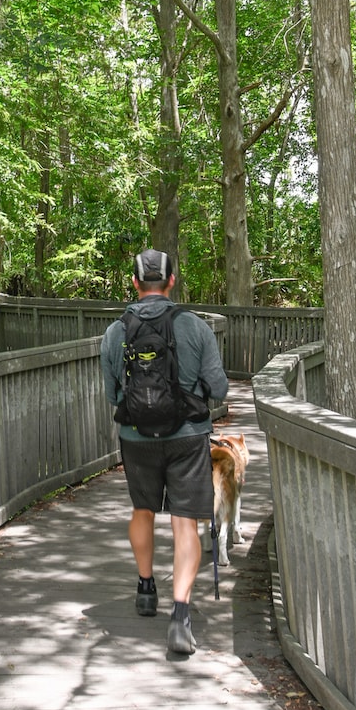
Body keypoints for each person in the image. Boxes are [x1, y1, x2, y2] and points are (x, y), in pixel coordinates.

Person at [99, 249, 229, 658]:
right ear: (172, 281)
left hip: (136, 438)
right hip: (188, 437)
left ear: (135, 284)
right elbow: (220, 390)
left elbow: (111, 394)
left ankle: (144, 588)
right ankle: (181, 615)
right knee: (185, 522)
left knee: (142, 511)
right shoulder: (194, 327)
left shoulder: (115, 331)